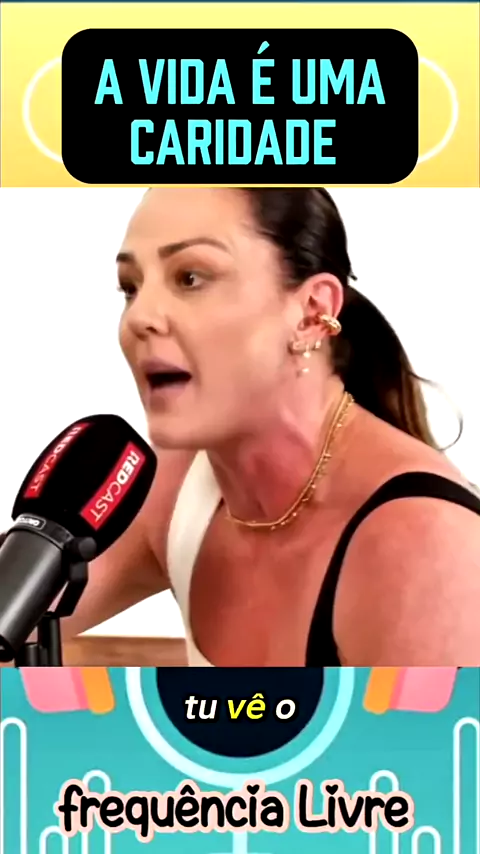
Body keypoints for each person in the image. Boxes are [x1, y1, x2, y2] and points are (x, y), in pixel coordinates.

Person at [57, 188, 480, 665]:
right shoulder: (171, 489)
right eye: (130, 287)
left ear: (312, 313)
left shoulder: (427, 547)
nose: (139, 317)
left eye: (190, 278)